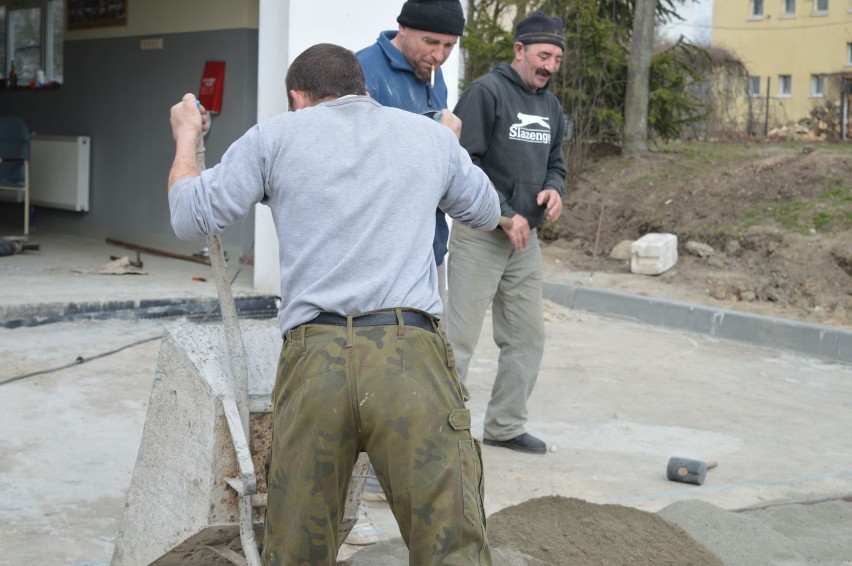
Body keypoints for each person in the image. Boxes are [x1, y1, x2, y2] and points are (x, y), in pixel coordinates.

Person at [167, 43, 497, 566]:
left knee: (297, 546)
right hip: (410, 355)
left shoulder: (274, 137)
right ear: (362, 88)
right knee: (450, 542)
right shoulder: (427, 137)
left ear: (297, 98)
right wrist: (447, 147)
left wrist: (186, 140)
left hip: (314, 358)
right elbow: (485, 209)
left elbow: (190, 215)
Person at [446, 11, 568, 455]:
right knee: (457, 339)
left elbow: (556, 162)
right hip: (482, 234)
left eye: (556, 58)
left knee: (527, 336)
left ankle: (505, 424)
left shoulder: (550, 106)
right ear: (519, 50)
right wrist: (502, 213)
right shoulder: (486, 93)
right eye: (543, 55)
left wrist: (554, 189)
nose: (550, 66)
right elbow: (462, 162)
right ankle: (443, 430)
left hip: (524, 240)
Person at [356, 0, 466, 306]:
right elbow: (353, 164)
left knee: (432, 351)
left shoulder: (432, 71)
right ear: (402, 27)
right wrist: (432, 135)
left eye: (449, 45)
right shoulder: (361, 71)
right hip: (382, 258)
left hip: (431, 247)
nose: (439, 55)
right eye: (430, 41)